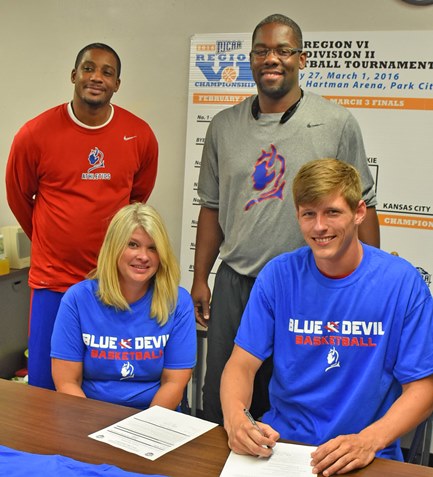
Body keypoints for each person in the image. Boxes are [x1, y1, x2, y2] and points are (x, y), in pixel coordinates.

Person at [192, 13, 380, 425]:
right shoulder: (224, 126)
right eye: (261, 51)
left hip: (307, 285)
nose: (271, 59)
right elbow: (210, 206)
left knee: (295, 401)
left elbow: (363, 203)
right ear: (251, 59)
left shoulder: (336, 122)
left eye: (282, 50)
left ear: (302, 58)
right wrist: (200, 277)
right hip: (237, 282)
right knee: (222, 399)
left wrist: (368, 282)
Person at [220, 158, 433, 475]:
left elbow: (423, 388)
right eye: (308, 214)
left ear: (359, 212)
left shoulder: (402, 282)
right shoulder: (278, 275)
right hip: (283, 448)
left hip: (366, 452)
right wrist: (236, 418)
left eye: (332, 212)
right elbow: (241, 364)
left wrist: (368, 441)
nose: (319, 226)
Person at [6, 43, 158, 390]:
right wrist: (50, 238)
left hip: (110, 282)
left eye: (107, 72)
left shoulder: (140, 136)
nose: (96, 77)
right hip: (52, 281)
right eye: (88, 68)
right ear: (74, 75)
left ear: (117, 83)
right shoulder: (35, 134)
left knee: (102, 384)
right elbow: (18, 196)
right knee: (45, 385)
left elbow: (137, 201)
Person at [50, 203, 196, 410]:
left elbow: (174, 382)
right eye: (133, 245)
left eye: (153, 247)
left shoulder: (178, 302)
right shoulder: (77, 299)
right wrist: (88, 428)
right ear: (114, 248)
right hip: (88, 414)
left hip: (155, 416)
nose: (143, 256)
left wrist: (144, 429)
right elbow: (67, 382)